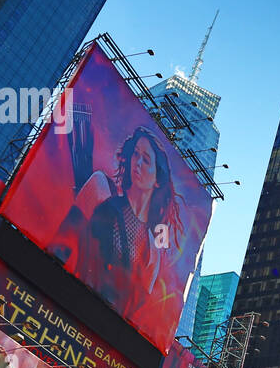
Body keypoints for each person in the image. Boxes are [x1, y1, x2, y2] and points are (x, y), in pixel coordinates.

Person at [51, 127, 185, 325]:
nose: (137, 163)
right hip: (61, 304)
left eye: (146, 160)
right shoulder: (101, 188)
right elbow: (59, 247)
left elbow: (132, 314)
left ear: (158, 180)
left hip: (100, 330)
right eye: (136, 155)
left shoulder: (152, 249)